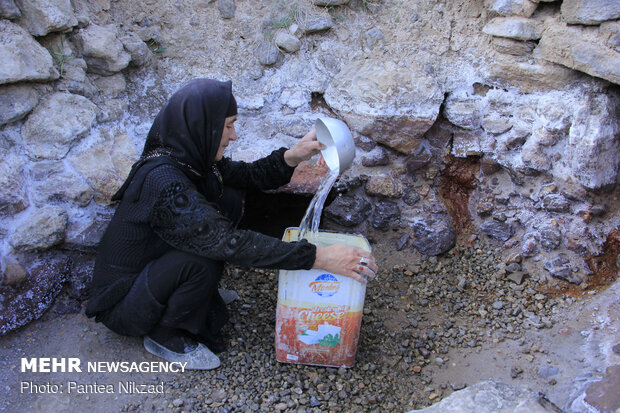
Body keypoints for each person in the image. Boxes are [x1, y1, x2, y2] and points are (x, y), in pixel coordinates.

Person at [85, 78, 378, 369]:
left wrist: (294, 156)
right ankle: (166, 334)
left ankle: (192, 296)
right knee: (204, 258)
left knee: (228, 197)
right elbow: (230, 244)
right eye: (228, 125)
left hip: (150, 273)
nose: (233, 135)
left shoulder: (192, 160)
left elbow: (248, 176)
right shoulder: (165, 182)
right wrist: (321, 258)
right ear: (203, 124)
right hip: (124, 305)